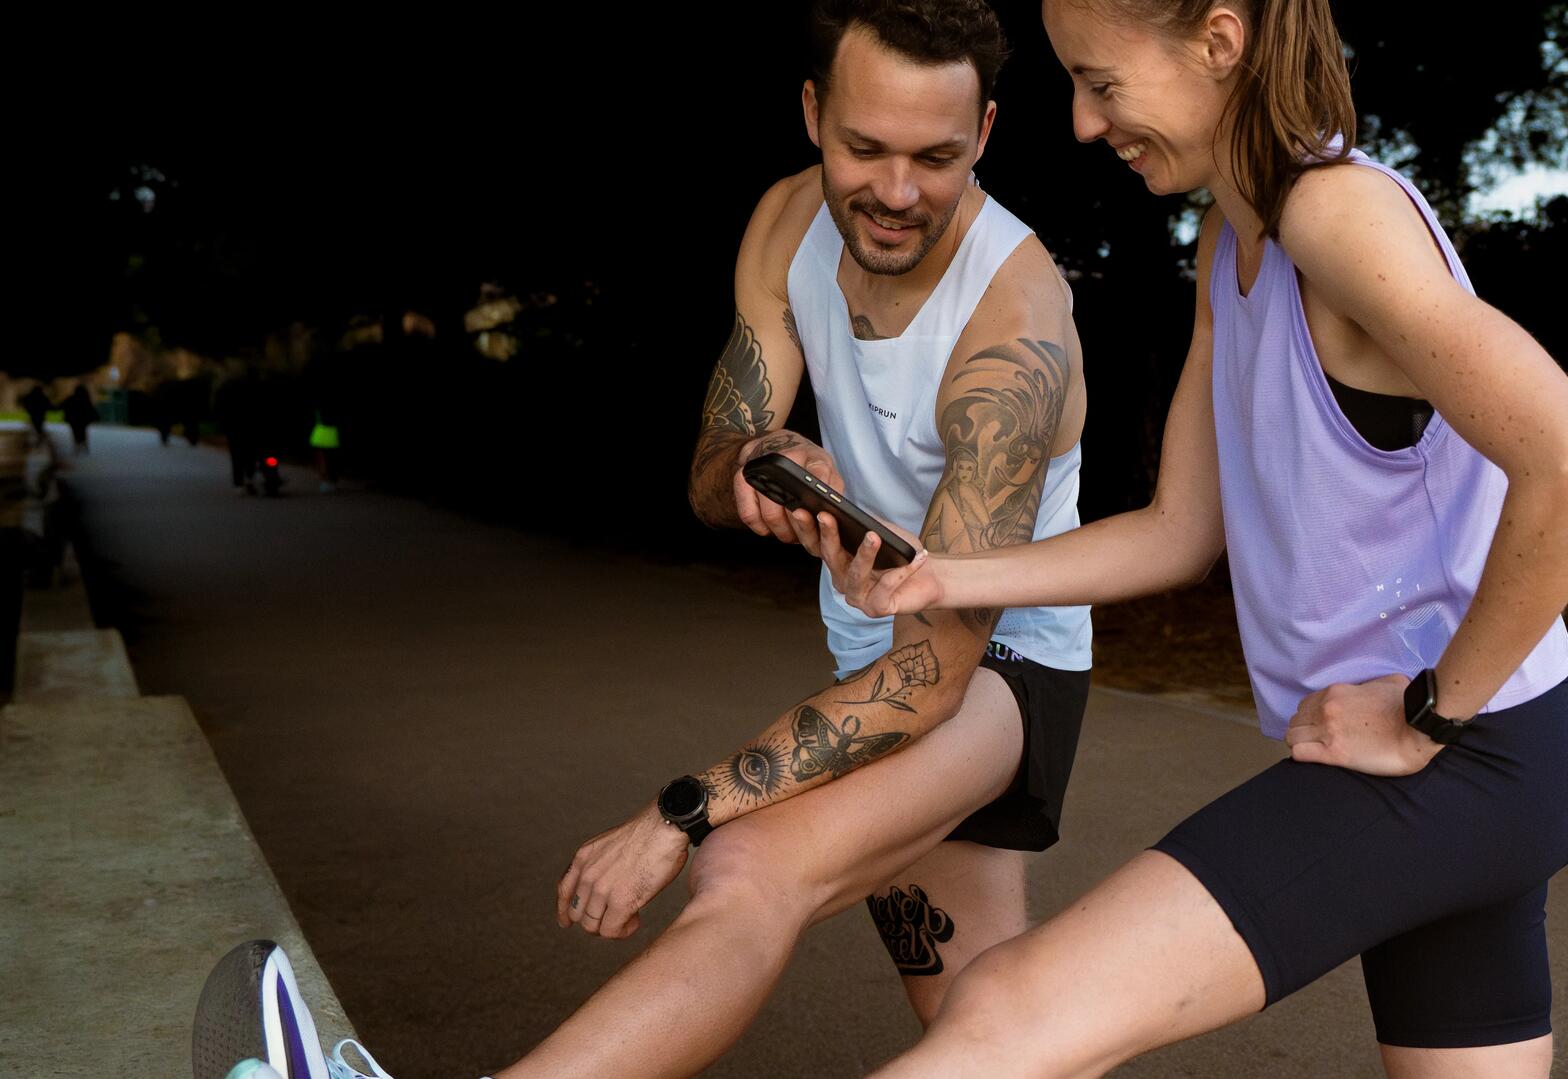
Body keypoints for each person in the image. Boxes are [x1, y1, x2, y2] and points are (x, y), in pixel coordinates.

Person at [197, 3, 1095, 1078]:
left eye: (935, 158)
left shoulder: (1016, 315)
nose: (897, 191)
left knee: (752, 865)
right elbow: (710, 468)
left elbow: (934, 676)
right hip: (873, 658)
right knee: (991, 1024)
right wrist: (760, 458)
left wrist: (684, 808)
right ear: (813, 113)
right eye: (866, 148)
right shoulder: (786, 226)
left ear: (986, 133)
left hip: (999, 669)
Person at [816, 2, 1568, 1076]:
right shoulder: (1232, 243)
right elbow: (1178, 530)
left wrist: (1433, 708)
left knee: (1009, 1005)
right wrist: (942, 577)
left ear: (1218, 38)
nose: (1082, 122)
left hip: (1458, 758)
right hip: (1494, 759)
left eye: (1101, 83)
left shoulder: (1334, 216)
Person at [60, 384, 99, 454]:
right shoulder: (85, 399)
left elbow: (63, 405)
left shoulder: (72, 398)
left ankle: (78, 444)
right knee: (83, 432)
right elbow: (90, 408)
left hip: (73, 420)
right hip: (83, 420)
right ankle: (83, 445)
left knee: (75, 432)